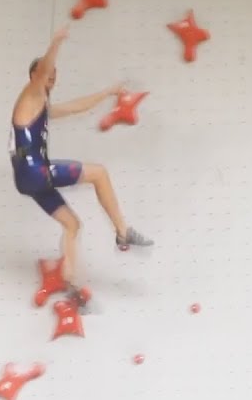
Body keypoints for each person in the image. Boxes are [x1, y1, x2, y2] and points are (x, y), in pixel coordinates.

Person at [10, 23, 153, 293]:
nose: (51, 79)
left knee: (72, 225)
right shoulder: (31, 93)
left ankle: (73, 286)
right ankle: (123, 232)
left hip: (28, 179)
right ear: (34, 76)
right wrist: (56, 43)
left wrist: (107, 92)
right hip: (35, 171)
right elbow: (43, 71)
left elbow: (77, 106)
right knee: (99, 173)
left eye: (55, 76)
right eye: (47, 74)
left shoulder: (40, 106)